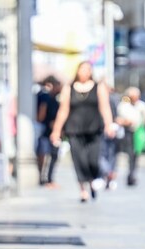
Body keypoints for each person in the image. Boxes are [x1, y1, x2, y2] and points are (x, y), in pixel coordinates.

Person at [49, 61, 115, 202]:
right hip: (74, 128)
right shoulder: (69, 88)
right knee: (78, 160)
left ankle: (91, 181)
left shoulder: (99, 87)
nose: (85, 72)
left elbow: (105, 107)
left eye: (87, 69)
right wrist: (56, 130)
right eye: (82, 69)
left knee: (93, 159)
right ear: (77, 71)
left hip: (94, 128)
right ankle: (83, 190)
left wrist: (109, 124)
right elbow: (63, 110)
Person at [116, 87, 145, 186]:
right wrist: (124, 122)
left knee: (136, 153)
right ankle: (130, 174)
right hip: (128, 132)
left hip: (139, 132)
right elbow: (119, 119)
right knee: (130, 153)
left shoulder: (142, 106)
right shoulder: (123, 106)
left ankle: (133, 173)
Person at [35, 75, 62, 187]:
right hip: (46, 130)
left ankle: (45, 177)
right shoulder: (45, 96)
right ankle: (44, 177)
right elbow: (41, 114)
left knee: (49, 154)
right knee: (45, 154)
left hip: (48, 129)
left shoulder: (49, 97)